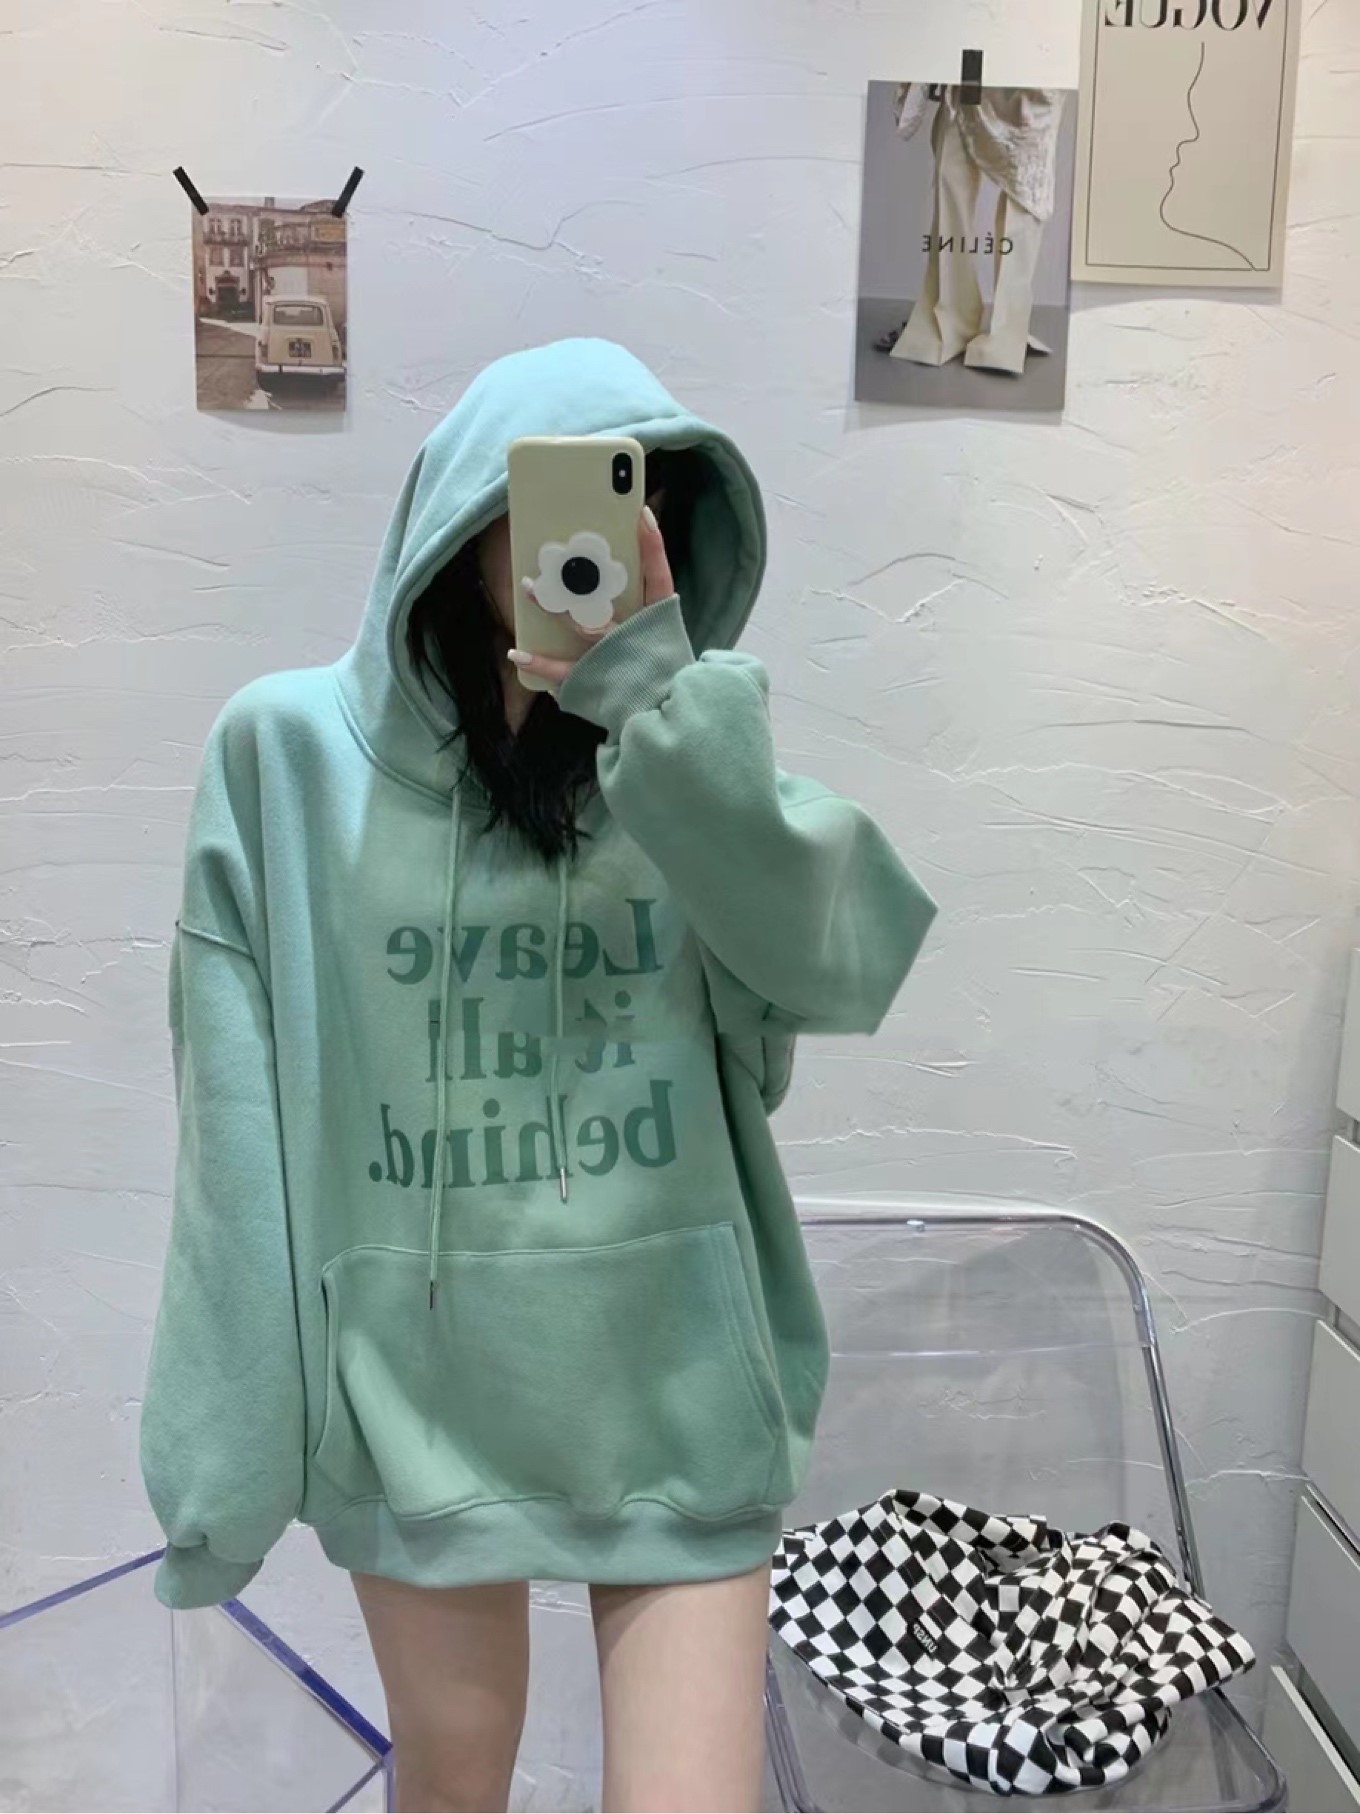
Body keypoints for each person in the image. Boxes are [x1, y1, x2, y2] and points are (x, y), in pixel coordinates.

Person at [138, 338, 937, 1812]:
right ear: (456, 522)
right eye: (555, 500)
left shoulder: (681, 762)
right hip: (417, 1393)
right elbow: (233, 1137)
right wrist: (220, 1459)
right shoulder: (286, 754)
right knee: (452, 1782)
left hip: (676, 1385)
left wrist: (663, 715)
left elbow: (845, 967)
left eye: (642, 503)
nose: (598, 540)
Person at [883, 82, 1067, 375]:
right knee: (951, 171)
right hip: (970, 72)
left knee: (1024, 196)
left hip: (1028, 77)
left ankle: (1006, 335)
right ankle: (947, 319)